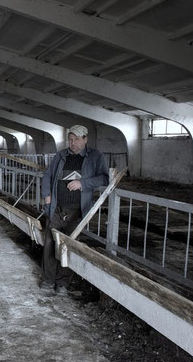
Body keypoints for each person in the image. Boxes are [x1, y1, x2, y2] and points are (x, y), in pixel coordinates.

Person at [41, 125, 109, 295]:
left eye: (77, 139)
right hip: (57, 207)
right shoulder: (61, 155)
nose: (73, 143)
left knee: (69, 245)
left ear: (85, 139)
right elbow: (48, 175)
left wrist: (83, 183)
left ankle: (62, 282)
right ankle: (48, 279)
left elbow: (105, 178)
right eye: (70, 139)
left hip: (78, 210)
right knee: (50, 243)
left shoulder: (95, 156)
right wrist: (47, 197)